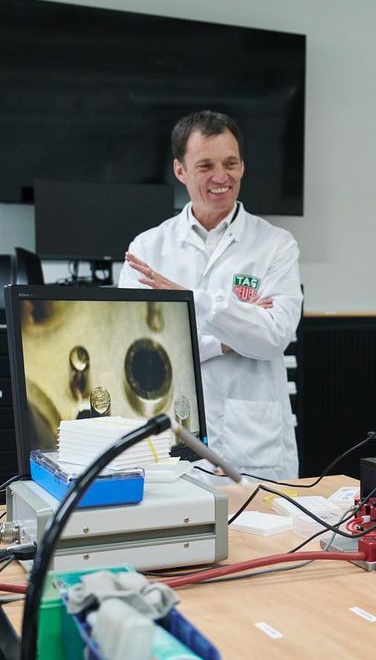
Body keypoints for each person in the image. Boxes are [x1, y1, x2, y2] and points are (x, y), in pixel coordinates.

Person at [119, 110, 303, 481]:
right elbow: (140, 351)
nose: (222, 177)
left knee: (267, 536)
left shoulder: (276, 245)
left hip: (253, 445)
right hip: (169, 437)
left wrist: (190, 300)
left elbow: (273, 338)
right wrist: (229, 337)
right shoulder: (148, 249)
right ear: (180, 170)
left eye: (230, 163)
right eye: (205, 165)